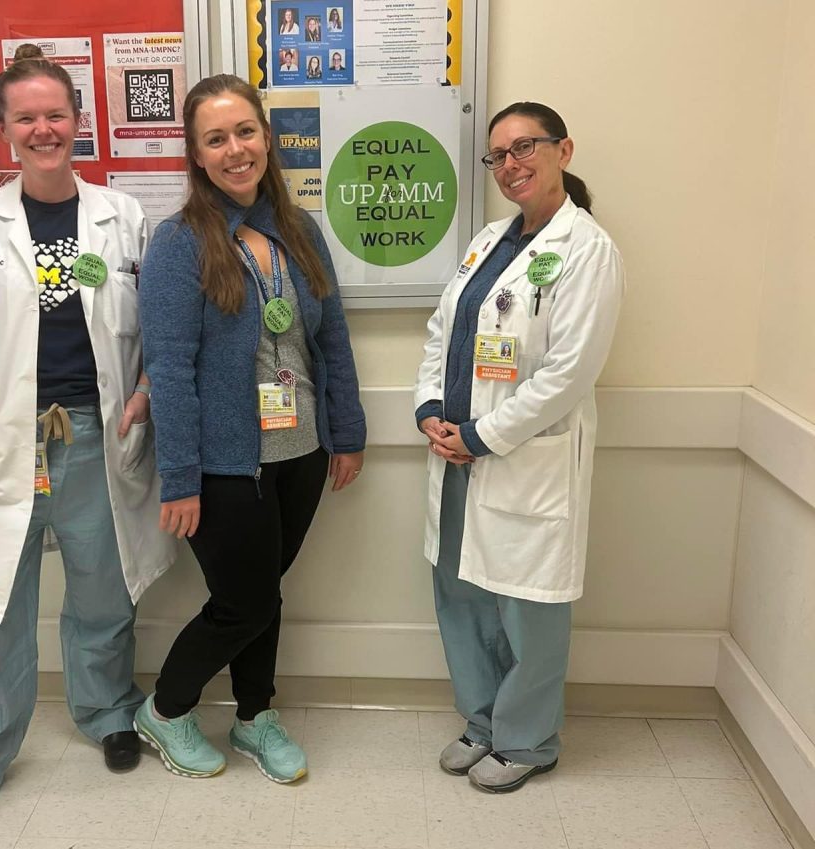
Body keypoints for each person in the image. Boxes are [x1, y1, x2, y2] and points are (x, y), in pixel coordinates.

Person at [0, 44, 176, 822]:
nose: (43, 128)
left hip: (95, 432)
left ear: (77, 122)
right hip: (7, 439)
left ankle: (106, 712)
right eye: (25, 117)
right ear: (4, 130)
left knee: (102, 589)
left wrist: (146, 393)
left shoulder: (120, 215)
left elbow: (160, 322)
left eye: (56, 114)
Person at [136, 74, 365, 784]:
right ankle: (167, 709)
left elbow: (332, 341)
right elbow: (169, 369)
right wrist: (179, 477)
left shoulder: (299, 233)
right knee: (247, 600)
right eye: (216, 138)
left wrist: (347, 431)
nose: (235, 149)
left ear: (267, 138)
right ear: (196, 155)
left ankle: (253, 715)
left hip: (301, 450)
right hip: (223, 463)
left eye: (245, 132)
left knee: (265, 591)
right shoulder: (180, 245)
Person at [414, 102, 625, 794]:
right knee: (462, 593)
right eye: (498, 154)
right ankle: (482, 722)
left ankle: (528, 740)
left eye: (524, 146)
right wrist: (430, 413)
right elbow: (441, 333)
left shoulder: (586, 250)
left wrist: (481, 436)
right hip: (456, 458)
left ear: (563, 149)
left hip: (521, 460)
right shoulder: (487, 243)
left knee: (529, 610)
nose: (511, 163)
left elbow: (568, 375)